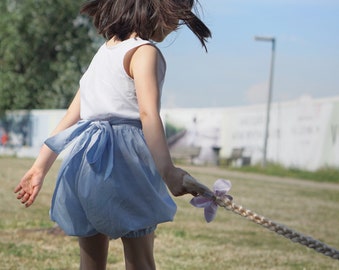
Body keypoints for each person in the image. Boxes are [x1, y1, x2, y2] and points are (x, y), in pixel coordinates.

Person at [14, 0, 211, 269]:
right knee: (140, 260)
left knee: (91, 263)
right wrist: (168, 171)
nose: (177, 24)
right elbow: (148, 115)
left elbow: (71, 116)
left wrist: (40, 167)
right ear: (156, 8)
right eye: (178, 13)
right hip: (124, 164)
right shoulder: (144, 52)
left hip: (84, 165)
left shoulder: (103, 54)